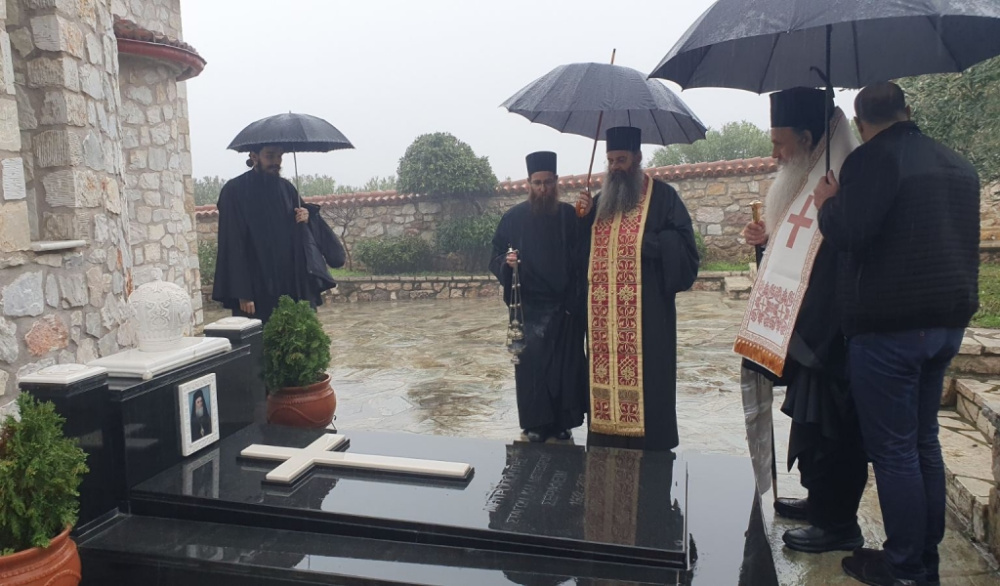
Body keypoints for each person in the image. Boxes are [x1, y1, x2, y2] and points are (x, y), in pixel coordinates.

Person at [814, 82, 980, 586]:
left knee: (894, 451)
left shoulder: (868, 161)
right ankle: (924, 558)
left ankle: (904, 566)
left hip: (888, 330)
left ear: (860, 123)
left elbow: (850, 234)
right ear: (908, 111)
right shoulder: (958, 164)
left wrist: (828, 203)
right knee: (924, 441)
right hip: (947, 324)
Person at [738, 87, 869, 554]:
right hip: (809, 333)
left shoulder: (847, 181)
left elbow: (843, 254)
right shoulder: (807, 181)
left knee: (835, 431)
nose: (775, 154)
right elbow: (796, 255)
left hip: (834, 336)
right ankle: (820, 504)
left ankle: (839, 524)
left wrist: (831, 206)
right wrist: (765, 243)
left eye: (781, 143)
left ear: (809, 139)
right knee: (814, 428)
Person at [576, 127, 699, 452]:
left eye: (622, 160)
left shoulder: (664, 197)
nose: (615, 167)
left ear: (638, 158)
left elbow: (687, 254)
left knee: (650, 387)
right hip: (604, 327)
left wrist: (648, 245)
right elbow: (582, 255)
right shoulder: (600, 203)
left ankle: (652, 460)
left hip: (649, 321)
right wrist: (583, 219)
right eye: (611, 161)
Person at [490, 151, 588, 443]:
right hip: (529, 309)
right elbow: (495, 256)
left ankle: (562, 424)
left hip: (565, 308)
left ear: (556, 181)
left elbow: (584, 258)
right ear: (529, 183)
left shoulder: (571, 217)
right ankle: (534, 424)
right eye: (537, 183)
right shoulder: (513, 218)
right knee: (532, 369)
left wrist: (588, 215)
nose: (543, 188)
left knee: (564, 369)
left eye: (547, 182)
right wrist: (506, 263)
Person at [212, 144, 345, 323]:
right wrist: (242, 293)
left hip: (291, 282)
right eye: (270, 156)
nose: (276, 162)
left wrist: (306, 217)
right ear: (254, 156)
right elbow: (232, 242)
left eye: (279, 156)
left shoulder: (286, 188)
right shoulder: (234, 190)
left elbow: (302, 228)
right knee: (260, 336)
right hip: (256, 286)